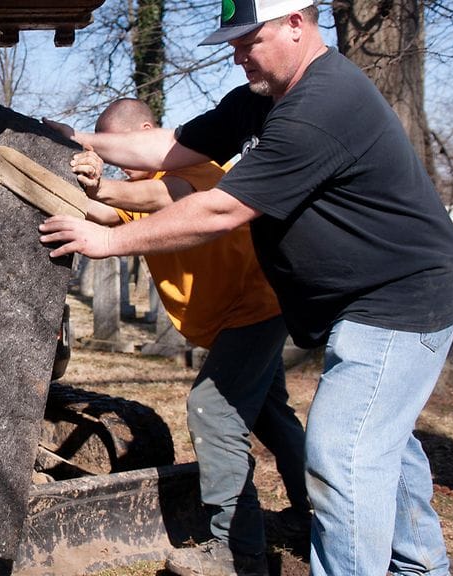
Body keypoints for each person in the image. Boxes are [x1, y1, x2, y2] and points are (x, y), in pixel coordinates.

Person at [39, 1, 453, 575]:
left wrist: (107, 240)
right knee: (380, 443)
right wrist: (76, 137)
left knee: (342, 454)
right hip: (359, 300)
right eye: (233, 43)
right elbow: (167, 147)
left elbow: (220, 208)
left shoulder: (321, 105)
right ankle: (420, 567)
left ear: (296, 23)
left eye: (249, 41)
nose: (238, 55)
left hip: (399, 298)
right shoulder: (262, 100)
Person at [79, 97, 309, 575]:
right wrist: (69, 188)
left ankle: (238, 551)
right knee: (272, 418)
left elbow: (168, 197)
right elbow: (104, 214)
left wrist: (102, 186)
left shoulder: (195, 165)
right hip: (236, 319)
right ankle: (314, 517)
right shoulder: (136, 189)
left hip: (254, 310)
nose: (115, 159)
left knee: (212, 411)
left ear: (146, 133)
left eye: (117, 148)